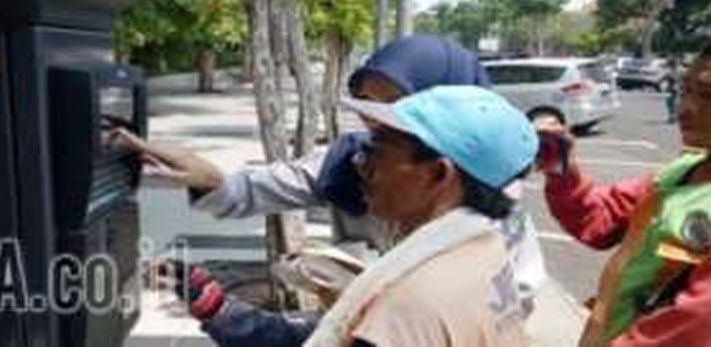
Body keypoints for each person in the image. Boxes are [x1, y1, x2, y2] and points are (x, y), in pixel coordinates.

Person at [114, 35, 545, 345]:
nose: (368, 142)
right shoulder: (468, 232)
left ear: (439, 171)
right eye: (369, 110)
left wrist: (372, 301)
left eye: (391, 118)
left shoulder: (428, 291)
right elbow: (259, 187)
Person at [305, 85, 538, 346]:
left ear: (438, 174)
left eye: (376, 153)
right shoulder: (486, 247)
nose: (361, 165)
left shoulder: (404, 310)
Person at [536, 42, 711, 346]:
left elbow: (693, 324)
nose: (686, 107)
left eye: (708, 96)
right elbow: (599, 222)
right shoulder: (684, 170)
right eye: (686, 90)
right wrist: (563, 173)